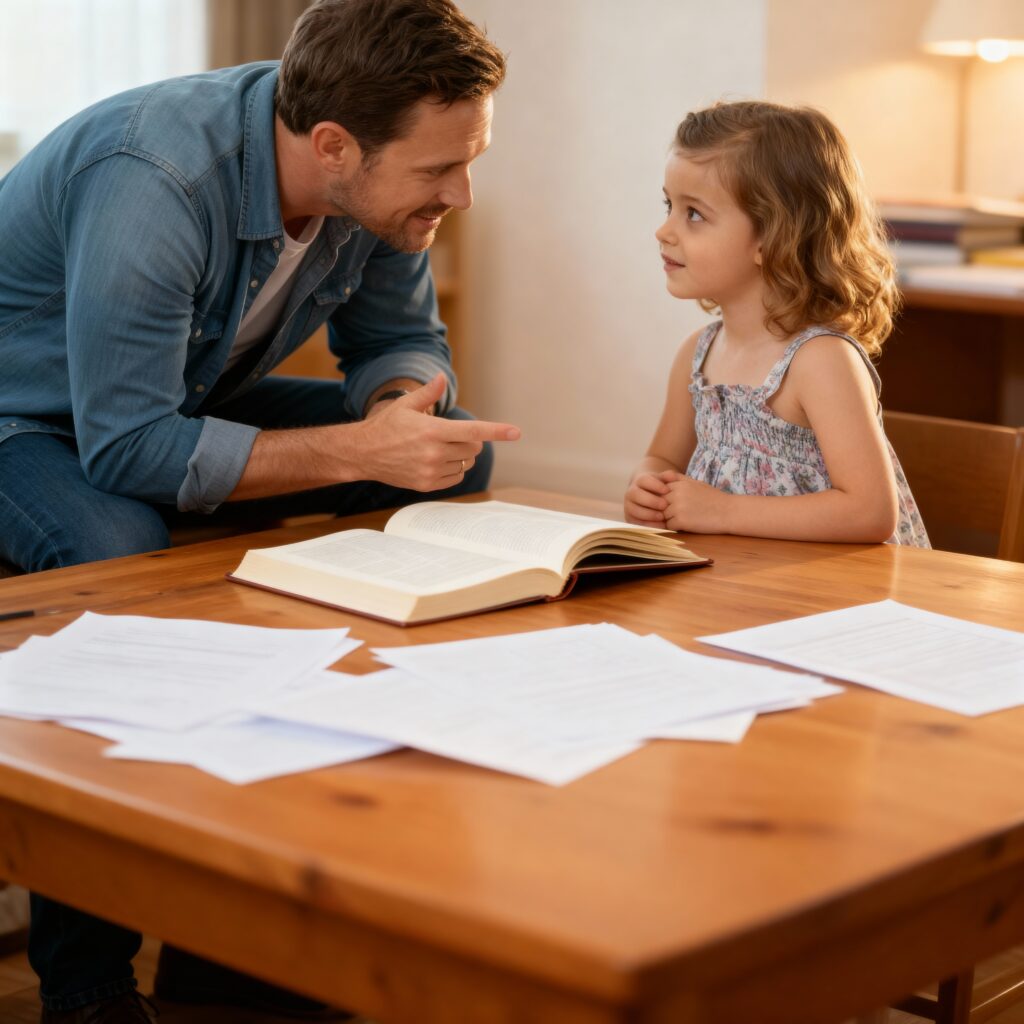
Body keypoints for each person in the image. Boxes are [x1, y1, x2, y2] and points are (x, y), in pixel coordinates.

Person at [0, 0, 516, 1020]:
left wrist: (393, 407)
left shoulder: (373, 190)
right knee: (116, 546)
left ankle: (272, 899)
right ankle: (88, 983)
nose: (459, 192)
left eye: (469, 161)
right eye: (437, 170)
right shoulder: (156, 178)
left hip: (178, 399)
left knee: (447, 468)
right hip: (29, 424)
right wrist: (358, 447)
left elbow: (401, 339)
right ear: (332, 144)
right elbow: (128, 446)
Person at [624, 100, 929, 547]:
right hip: (744, 584)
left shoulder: (820, 361)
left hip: (841, 595)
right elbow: (661, 457)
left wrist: (724, 510)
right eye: (669, 205)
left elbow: (869, 512)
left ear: (772, 237)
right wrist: (648, 486)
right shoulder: (697, 355)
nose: (664, 230)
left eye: (693, 214)